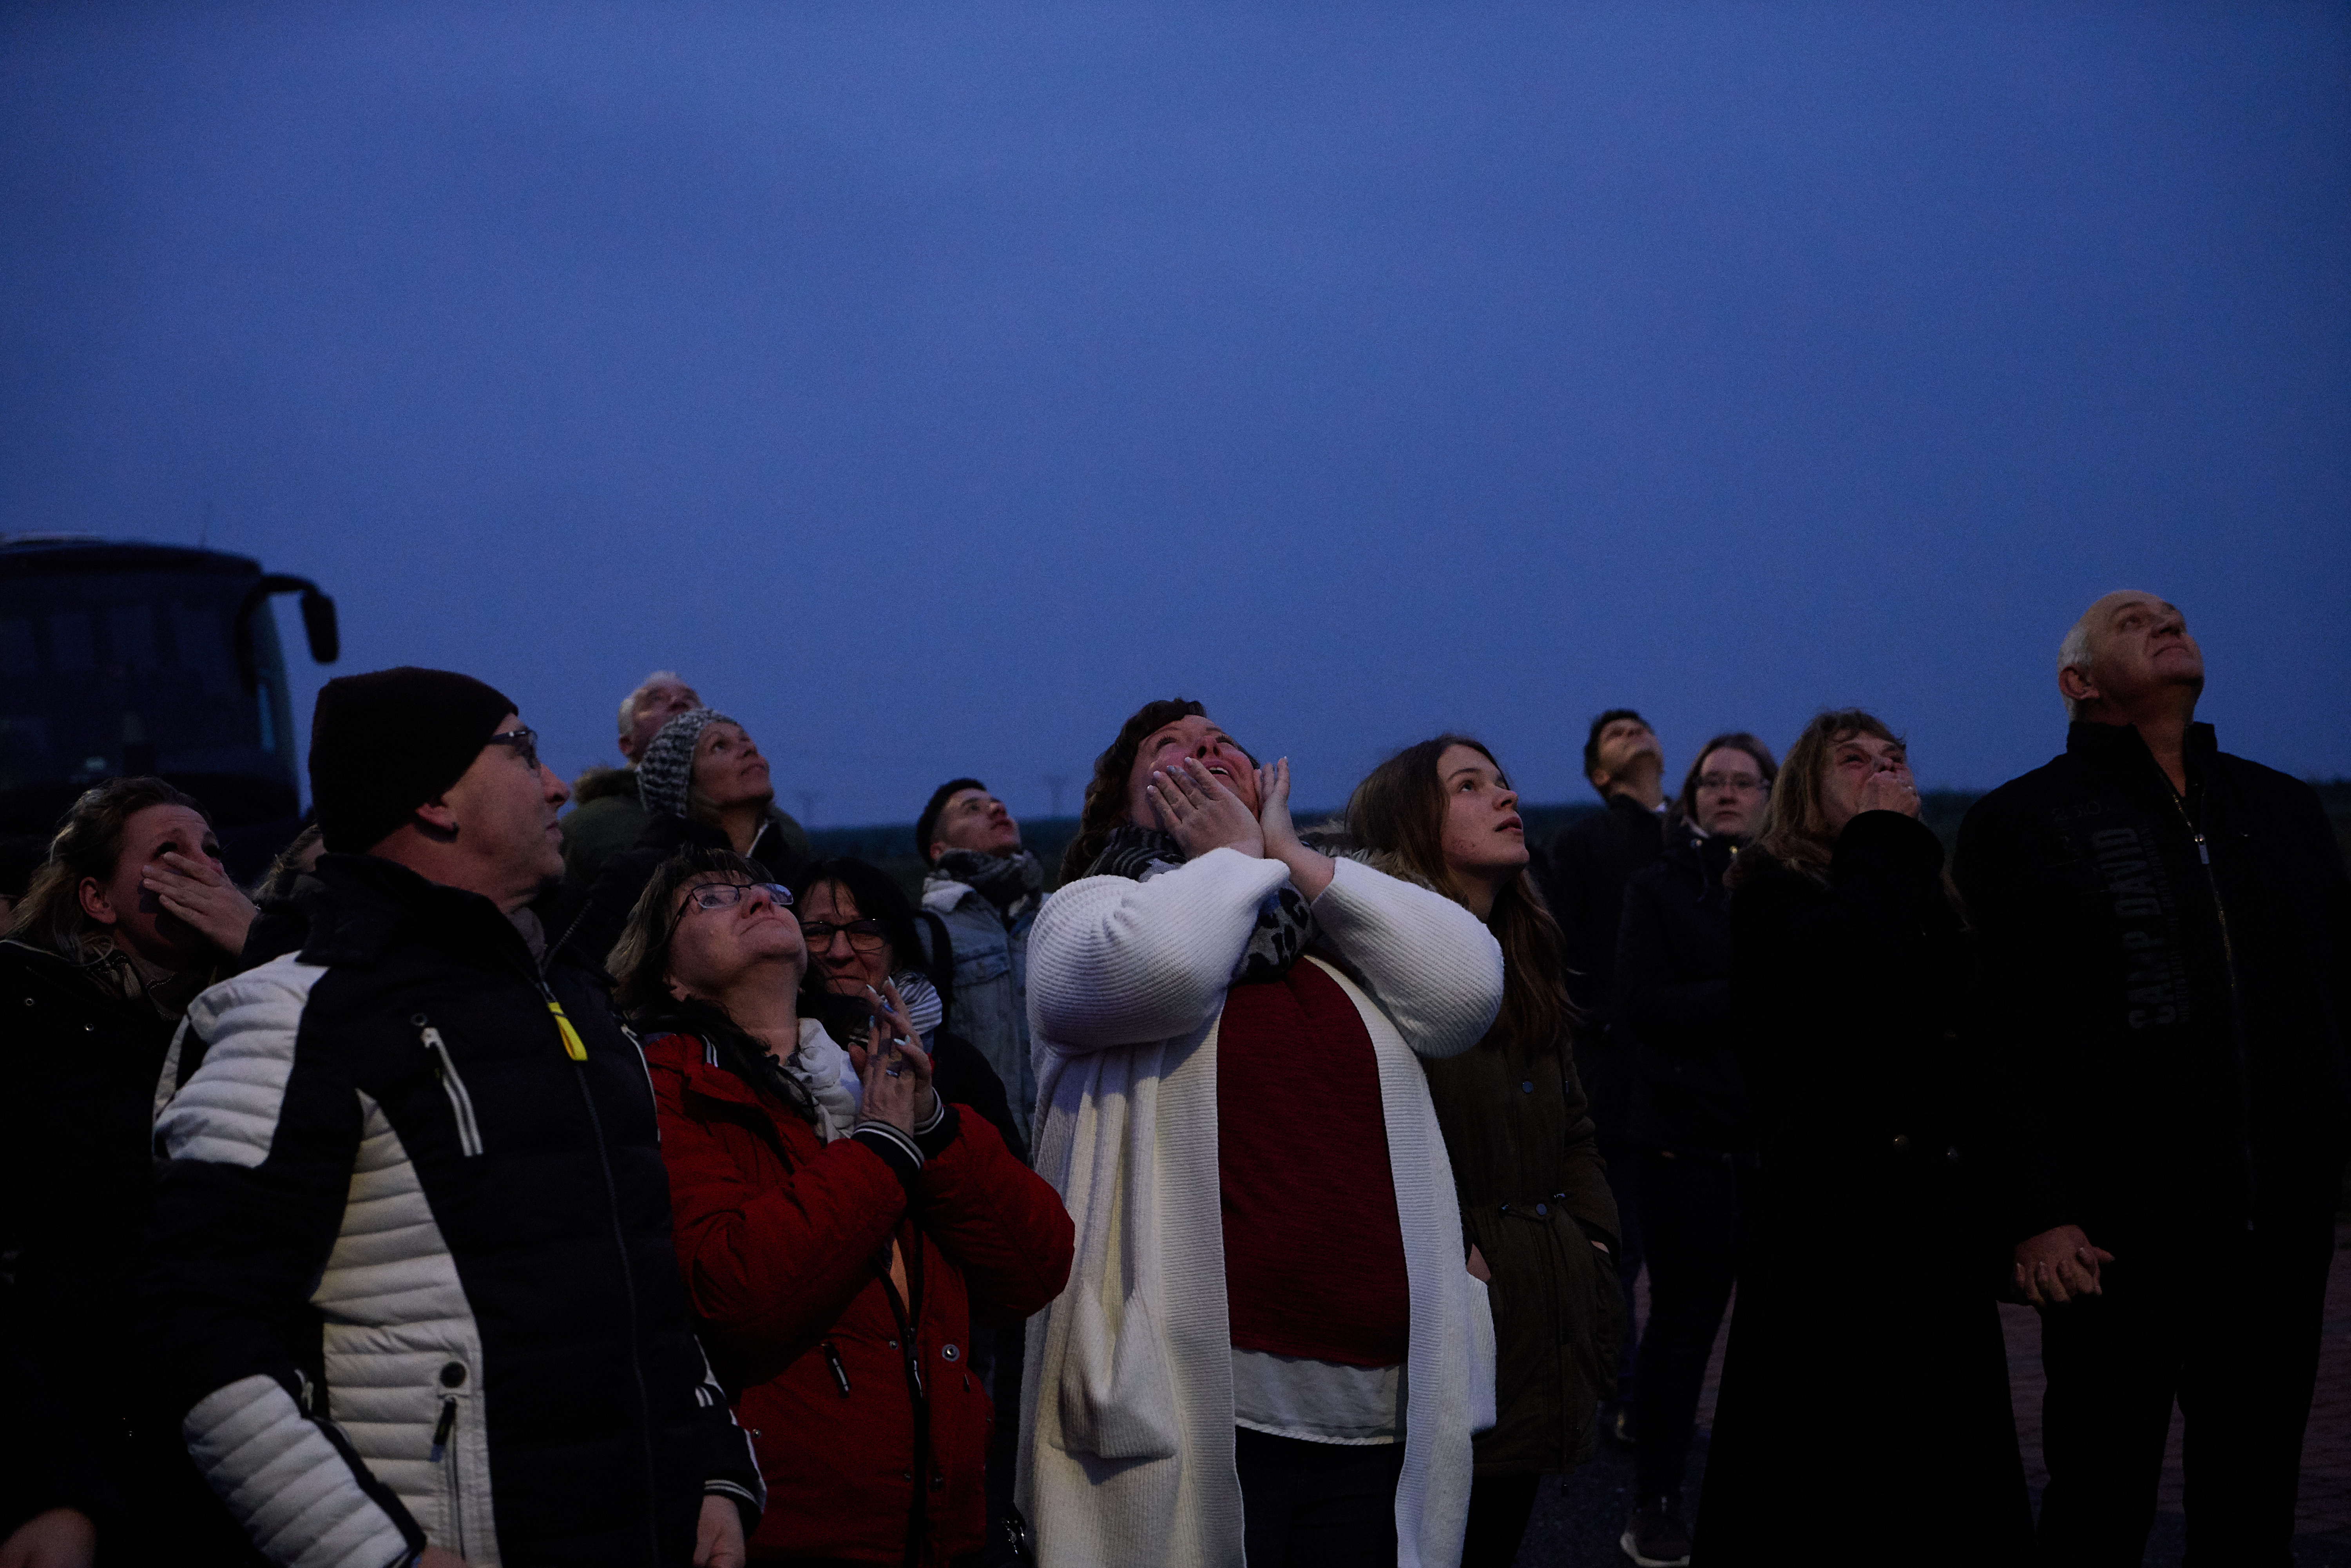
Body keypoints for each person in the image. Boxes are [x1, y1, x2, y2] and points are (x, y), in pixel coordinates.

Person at [142, 667, 763, 1568]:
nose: (555, 783)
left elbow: (646, 1290)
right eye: (521, 751)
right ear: (432, 797)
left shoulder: (578, 1012)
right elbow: (198, 1333)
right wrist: (376, 1554)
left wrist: (712, 1466)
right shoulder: (295, 1017)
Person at [1020, 698, 1504, 1568]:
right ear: (1121, 808)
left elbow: (1465, 989)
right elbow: (1165, 968)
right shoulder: (1091, 909)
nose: (1204, 746)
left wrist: (1293, 860)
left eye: (1221, 741)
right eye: (1169, 750)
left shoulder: (1332, 936)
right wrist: (1235, 858)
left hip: (1378, 1411)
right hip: (1201, 1407)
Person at [1954, 590, 2351, 1566]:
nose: (2166, 621)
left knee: (2253, 1503)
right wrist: (2037, 1210)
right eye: (2133, 620)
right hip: (2111, 1242)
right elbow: (1997, 1034)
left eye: (2173, 614)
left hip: (2276, 1231)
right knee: (2101, 1498)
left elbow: (2332, 1003)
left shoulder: (2283, 810)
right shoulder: (2025, 820)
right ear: (2078, 682)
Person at [608, 846, 1073, 1566]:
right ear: (666, 969)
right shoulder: (662, 1088)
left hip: (948, 1528)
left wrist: (934, 1124)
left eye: (764, 888)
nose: (760, 898)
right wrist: (883, 1144)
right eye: (710, 899)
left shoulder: (877, 1069)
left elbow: (1035, 1268)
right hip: (794, 1531)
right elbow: (734, 1293)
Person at [1691, 710, 2030, 1566]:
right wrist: (1883, 837)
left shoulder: (1927, 900)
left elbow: (1981, 1052)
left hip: (1931, 1229)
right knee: (1827, 1483)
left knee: (1939, 1478)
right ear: (1809, 786)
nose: (1882, 775)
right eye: (1855, 763)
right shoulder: (1771, 892)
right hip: (1828, 1235)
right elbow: (1846, 961)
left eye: (1895, 761)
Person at [1343, 736, 1620, 1568]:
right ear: (1412, 823)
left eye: (1504, 780)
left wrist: (1593, 1239)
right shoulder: (1369, 964)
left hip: (1542, 1296)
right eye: (1470, 786)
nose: (1506, 796)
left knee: (1496, 1539)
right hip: (1440, 1315)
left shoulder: (1525, 950)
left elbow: (1574, 1127)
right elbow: (1358, 1134)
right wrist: (1446, 1251)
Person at [0, 779, 262, 1568]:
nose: (203, 868)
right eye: (168, 853)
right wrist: (41, 1486)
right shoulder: (25, 1020)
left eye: (214, 851)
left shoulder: (249, 1019)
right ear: (98, 899)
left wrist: (266, 952)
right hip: (98, 1447)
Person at [793, 855, 1039, 1553]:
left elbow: (1014, 1192)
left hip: (956, 1331)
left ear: (897, 940)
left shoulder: (953, 1060)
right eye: (817, 930)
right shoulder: (773, 1052)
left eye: (863, 928)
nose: (841, 949)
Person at [1612, 733, 1775, 1567]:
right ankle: (1658, 1502)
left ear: (1772, 795)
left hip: (1778, 1145)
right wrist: (1754, 996)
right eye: (1712, 781)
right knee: (1681, 1332)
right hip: (1684, 1145)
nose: (1726, 794)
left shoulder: (1793, 888)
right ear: (1689, 796)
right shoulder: (1660, 886)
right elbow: (1641, 1002)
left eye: (1745, 782)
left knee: (1783, 1335)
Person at [1536, 707, 1668, 1438]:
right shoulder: (1580, 844)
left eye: (1640, 726)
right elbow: (1564, 956)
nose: (1635, 734)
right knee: (1620, 1245)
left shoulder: (1698, 835)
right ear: (1598, 773)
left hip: (1695, 1077)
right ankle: (1618, 1395)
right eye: (1617, 734)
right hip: (1617, 1072)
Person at [576, 707, 812, 969]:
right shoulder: (639, 877)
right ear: (682, 783)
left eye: (746, 740)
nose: (749, 749)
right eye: (719, 747)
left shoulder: (800, 875)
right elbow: (588, 971)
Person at [915, 778, 1043, 1143]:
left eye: (998, 803)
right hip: (986, 1151)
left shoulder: (1058, 912)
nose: (996, 809)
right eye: (972, 809)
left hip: (1072, 1148)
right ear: (938, 850)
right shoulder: (929, 931)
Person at [563, 670, 706, 888]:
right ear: (627, 744)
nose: (679, 702)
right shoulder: (590, 827)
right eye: (655, 699)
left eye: (690, 698)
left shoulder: (760, 819)